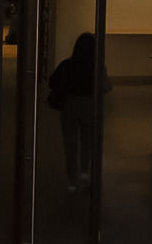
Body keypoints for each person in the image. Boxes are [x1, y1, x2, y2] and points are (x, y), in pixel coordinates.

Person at [45, 32, 106, 192]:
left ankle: (72, 179)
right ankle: (85, 172)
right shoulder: (98, 66)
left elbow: (52, 81)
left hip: (70, 107)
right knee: (87, 142)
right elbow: (105, 86)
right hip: (90, 106)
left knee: (70, 145)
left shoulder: (67, 65)